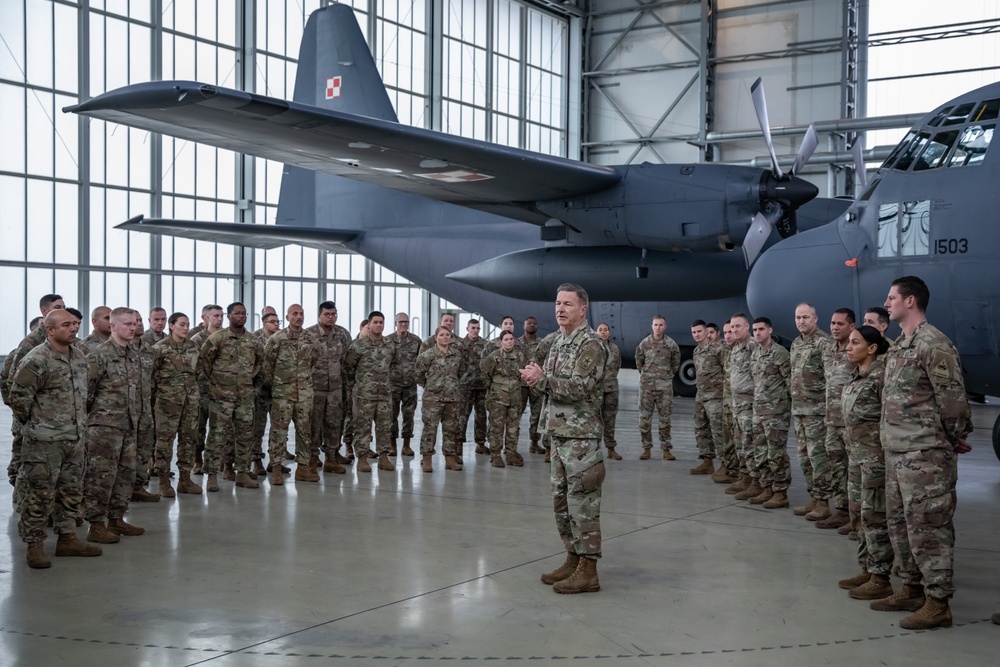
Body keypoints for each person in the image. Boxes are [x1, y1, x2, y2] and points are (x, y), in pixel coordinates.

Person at [871, 276, 971, 630]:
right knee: (901, 526)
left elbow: (954, 402)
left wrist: (949, 439)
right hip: (897, 452)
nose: (887, 302)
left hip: (925, 455)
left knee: (929, 527)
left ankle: (938, 601)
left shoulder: (933, 343)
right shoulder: (900, 345)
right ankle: (912, 588)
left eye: (892, 297)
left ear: (910, 301)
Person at [522, 283, 606, 594]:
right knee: (561, 501)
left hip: (581, 437)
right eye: (558, 303)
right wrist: (536, 379)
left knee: (583, 501)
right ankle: (572, 557)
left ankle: (589, 569)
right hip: (559, 433)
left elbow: (579, 388)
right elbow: (550, 386)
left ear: (583, 309)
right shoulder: (557, 342)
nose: (560, 309)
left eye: (568, 304)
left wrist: (541, 379)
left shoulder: (592, 345)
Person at [9, 309, 102, 568]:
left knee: (71, 491)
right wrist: (40, 423)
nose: (73, 328)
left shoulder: (79, 357)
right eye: (66, 325)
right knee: (40, 494)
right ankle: (34, 544)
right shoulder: (37, 359)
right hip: (44, 441)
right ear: (49, 330)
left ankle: (67, 538)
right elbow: (18, 399)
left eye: (74, 324)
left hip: (74, 438)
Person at [836, 325, 894, 600]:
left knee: (874, 518)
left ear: (872, 348)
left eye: (855, 342)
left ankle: (881, 576)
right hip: (856, 459)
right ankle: (867, 568)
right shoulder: (855, 375)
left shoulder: (882, 377)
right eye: (848, 342)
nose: (848, 347)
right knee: (858, 514)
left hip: (875, 461)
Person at [83, 307, 145, 543]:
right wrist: (94, 420)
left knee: (125, 474)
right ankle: (96, 525)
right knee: (100, 476)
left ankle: (116, 519)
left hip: (128, 424)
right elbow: (86, 392)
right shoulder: (100, 355)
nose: (133, 328)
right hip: (104, 426)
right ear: (113, 327)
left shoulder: (133, 354)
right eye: (127, 324)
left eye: (134, 324)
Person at [3, 294, 66, 501]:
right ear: (44, 311)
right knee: (24, 457)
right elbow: (12, 380)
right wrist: (22, 411)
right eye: (58, 307)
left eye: (64, 307)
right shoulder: (31, 343)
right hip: (32, 415)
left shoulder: (61, 341)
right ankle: (21, 498)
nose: (62, 309)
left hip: (53, 419)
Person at [199, 302, 263, 491]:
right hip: (221, 397)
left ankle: (242, 472)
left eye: (244, 313)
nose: (241, 316)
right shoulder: (217, 338)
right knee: (217, 436)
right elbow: (204, 363)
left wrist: (253, 388)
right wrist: (215, 386)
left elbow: (260, 365)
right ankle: (212, 475)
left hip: (245, 397)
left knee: (245, 436)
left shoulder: (253, 341)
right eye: (237, 313)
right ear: (229, 316)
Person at [263, 304, 323, 485]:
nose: (299, 317)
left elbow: (314, 361)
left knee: (305, 431)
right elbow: (267, 365)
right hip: (282, 394)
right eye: (294, 314)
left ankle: (303, 468)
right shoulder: (277, 339)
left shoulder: (311, 339)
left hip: (304, 394)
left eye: (301, 314)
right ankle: (276, 468)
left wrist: (303, 380)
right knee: (278, 432)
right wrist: (279, 383)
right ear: (287, 317)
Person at [150, 312, 203, 496]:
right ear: (171, 326)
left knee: (188, 440)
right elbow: (151, 376)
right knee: (164, 442)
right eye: (182, 324)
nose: (186, 328)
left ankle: (185, 479)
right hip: (167, 403)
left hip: (190, 402)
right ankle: (164, 481)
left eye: (188, 324)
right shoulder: (159, 348)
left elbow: (199, 372)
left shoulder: (193, 347)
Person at [789, 303, 833, 520]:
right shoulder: (796, 343)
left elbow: (831, 378)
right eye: (798, 317)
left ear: (815, 318)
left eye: (805, 317)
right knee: (804, 458)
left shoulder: (824, 343)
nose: (801, 321)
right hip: (799, 410)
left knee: (818, 459)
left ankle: (824, 502)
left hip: (817, 412)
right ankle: (814, 498)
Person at [746, 317, 791, 508]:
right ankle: (767, 488)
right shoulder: (755, 353)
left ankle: (780, 492)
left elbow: (790, 381)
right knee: (760, 452)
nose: (757, 333)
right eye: (755, 330)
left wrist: (785, 406)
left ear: (770, 330)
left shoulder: (779, 353)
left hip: (776, 413)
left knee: (776, 453)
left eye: (761, 329)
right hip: (759, 411)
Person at [344, 311, 398, 472]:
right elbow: (348, 368)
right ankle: (362, 457)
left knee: (384, 426)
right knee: (362, 427)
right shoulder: (358, 346)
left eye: (381, 322)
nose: (379, 325)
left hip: (384, 395)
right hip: (364, 396)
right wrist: (359, 386)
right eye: (375, 322)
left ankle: (383, 457)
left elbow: (393, 365)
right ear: (369, 325)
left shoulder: (389, 345)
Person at [818, 308, 857, 530]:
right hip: (831, 421)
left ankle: (857, 516)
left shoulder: (856, 351)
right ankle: (841, 510)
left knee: (855, 470)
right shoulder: (828, 350)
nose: (834, 327)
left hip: (851, 422)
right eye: (832, 323)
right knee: (837, 467)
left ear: (851, 327)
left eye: (840, 324)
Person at [306, 301, 353, 471]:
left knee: (334, 424)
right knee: (314, 425)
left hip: (335, 389)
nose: (331, 317)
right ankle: (312, 458)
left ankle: (331, 459)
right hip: (315, 389)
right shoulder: (309, 334)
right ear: (319, 315)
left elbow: (348, 360)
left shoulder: (342, 334)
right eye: (327, 314)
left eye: (334, 314)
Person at [415, 326, 466, 472]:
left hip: (452, 398)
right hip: (433, 398)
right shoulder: (428, 355)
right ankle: (427, 459)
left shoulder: (456, 355)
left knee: (451, 429)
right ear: (436, 337)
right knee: (430, 429)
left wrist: (451, 386)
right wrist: (430, 386)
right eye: (442, 335)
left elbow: (461, 372)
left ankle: (450, 459)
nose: (445, 337)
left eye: (447, 335)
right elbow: (418, 373)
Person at [635, 316, 680, 460]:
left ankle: (666, 449)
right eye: (655, 325)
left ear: (665, 326)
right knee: (644, 419)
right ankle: (646, 448)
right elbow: (639, 362)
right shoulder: (644, 344)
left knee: (665, 419)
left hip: (664, 388)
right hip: (647, 387)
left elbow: (675, 362)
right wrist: (647, 376)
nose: (658, 327)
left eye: (661, 325)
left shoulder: (671, 344)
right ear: (652, 326)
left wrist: (667, 376)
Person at [481, 330, 525, 467]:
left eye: (511, 339)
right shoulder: (494, 357)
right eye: (506, 339)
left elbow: (522, 373)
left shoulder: (519, 356)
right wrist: (493, 390)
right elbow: (485, 375)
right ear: (501, 342)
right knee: (497, 428)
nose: (509, 341)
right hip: (498, 399)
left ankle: (511, 453)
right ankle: (495, 455)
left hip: (515, 398)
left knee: (513, 427)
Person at [188, 304, 223, 474]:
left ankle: (219, 462)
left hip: (222, 391)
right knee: (199, 428)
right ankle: (197, 460)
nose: (219, 319)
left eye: (221, 315)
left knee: (221, 430)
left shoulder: (227, 337)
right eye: (215, 316)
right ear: (206, 318)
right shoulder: (197, 340)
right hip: (201, 391)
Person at [130, 314, 161, 503]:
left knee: (144, 450)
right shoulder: (111, 351)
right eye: (133, 322)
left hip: (145, 409)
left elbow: (155, 378)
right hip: (119, 413)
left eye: (139, 321)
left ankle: (138, 486)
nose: (138, 325)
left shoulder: (149, 351)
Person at [726, 314, 757, 496]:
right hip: (737, 404)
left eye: (738, 327)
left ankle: (755, 481)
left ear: (747, 327)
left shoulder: (752, 346)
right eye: (732, 328)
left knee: (749, 443)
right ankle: (744, 477)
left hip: (749, 403)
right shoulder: (736, 348)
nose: (734, 330)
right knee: (740, 443)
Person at [690, 319, 726, 475]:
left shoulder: (718, 348)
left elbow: (727, 370)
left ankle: (726, 465)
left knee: (718, 430)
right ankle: (707, 461)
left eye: (699, 331)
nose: (697, 335)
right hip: (701, 395)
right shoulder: (696, 351)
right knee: (700, 428)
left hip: (716, 396)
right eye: (694, 332)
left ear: (706, 332)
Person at [250, 310, 282, 476]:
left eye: (278, 321)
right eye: (272, 321)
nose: (276, 324)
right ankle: (256, 460)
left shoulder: (282, 339)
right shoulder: (255, 338)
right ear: (264, 323)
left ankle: (276, 461)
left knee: (278, 428)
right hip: (261, 391)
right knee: (258, 428)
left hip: (278, 390)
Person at [388, 312, 422, 457]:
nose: (403, 324)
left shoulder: (416, 340)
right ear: (395, 323)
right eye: (401, 322)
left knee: (409, 415)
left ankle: (406, 445)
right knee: (391, 415)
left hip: (410, 384)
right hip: (392, 384)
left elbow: (421, 362)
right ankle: (392, 445)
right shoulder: (388, 340)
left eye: (406, 322)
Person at [713, 321, 738, 484]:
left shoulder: (746, 350)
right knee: (728, 438)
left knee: (742, 442)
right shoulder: (726, 352)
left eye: (731, 332)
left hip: (741, 405)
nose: (728, 336)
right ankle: (730, 469)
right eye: (725, 333)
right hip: (728, 402)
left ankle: (742, 475)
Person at [460, 319, 489, 455]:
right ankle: (458, 444)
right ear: (467, 328)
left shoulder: (485, 345)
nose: (475, 330)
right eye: (473, 328)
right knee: (463, 416)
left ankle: (481, 443)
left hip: (481, 386)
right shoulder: (460, 344)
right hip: (465, 386)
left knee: (481, 416)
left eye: (478, 328)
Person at [595, 323, 622, 460]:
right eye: (600, 330)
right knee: (595, 419)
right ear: (596, 332)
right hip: (596, 389)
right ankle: (594, 450)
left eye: (606, 330)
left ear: (609, 333)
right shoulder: (592, 348)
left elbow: (617, 366)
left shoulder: (615, 348)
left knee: (610, 419)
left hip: (611, 389)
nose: (603, 332)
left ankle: (611, 449)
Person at [519, 316, 544, 453]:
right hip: (521, 384)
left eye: (535, 323)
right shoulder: (517, 343)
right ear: (524, 326)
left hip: (536, 384)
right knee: (515, 415)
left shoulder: (541, 343)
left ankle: (534, 442)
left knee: (537, 414)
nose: (532, 325)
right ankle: (511, 445)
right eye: (529, 323)